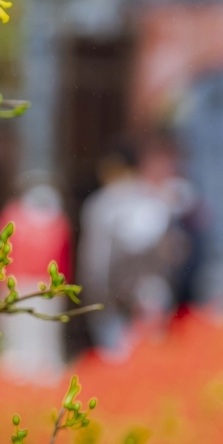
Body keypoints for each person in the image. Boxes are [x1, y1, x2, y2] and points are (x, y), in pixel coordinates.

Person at [77, 140, 177, 361]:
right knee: (151, 357)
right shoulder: (154, 199)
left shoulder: (100, 204)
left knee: (116, 359)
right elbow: (167, 253)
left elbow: (95, 261)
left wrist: (93, 296)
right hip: (149, 292)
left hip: (111, 295)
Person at [0, 177, 73, 378]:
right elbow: (0, 254)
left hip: (46, 288)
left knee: (44, 340)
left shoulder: (58, 221)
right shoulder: (12, 216)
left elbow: (63, 259)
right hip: (17, 286)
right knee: (17, 340)